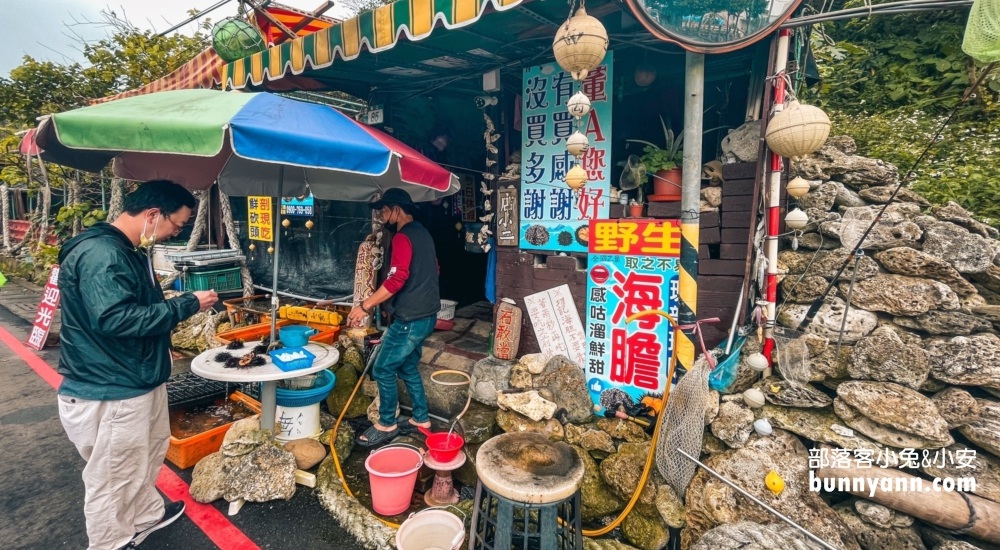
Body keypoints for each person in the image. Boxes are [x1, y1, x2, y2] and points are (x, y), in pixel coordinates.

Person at [56, 180, 218, 550]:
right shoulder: (103, 254)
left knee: (145, 457)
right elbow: (117, 320)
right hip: (112, 387)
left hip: (135, 377)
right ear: (152, 215)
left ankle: (146, 516)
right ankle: (111, 542)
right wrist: (186, 304)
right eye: (176, 225)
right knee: (114, 476)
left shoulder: (126, 250)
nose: (176, 232)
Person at [348, 188, 440, 447]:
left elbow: (397, 278)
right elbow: (435, 269)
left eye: (385, 210)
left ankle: (386, 422)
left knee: (383, 368)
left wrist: (365, 306)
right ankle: (421, 419)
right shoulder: (424, 234)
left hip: (410, 319)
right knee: (407, 366)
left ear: (397, 210)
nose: (382, 215)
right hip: (427, 316)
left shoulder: (403, 238)